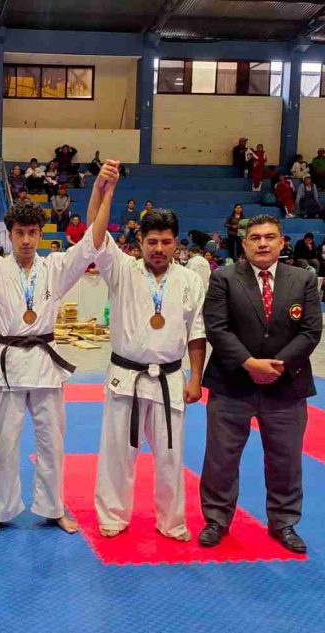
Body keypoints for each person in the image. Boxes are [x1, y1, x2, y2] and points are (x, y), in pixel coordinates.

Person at [0, 163, 117, 537]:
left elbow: (92, 241)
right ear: (10, 235)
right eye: (19, 233)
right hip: (9, 366)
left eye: (32, 233)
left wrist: (103, 193)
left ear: (41, 235)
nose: (26, 240)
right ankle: (1, 509)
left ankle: (52, 507)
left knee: (52, 443)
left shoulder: (57, 267)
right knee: (3, 444)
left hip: (45, 365)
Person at [199, 214, 322, 555]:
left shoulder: (304, 280)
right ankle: (216, 520)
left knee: (285, 460)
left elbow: (311, 331)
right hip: (232, 383)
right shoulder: (224, 278)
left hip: (286, 385)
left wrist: (278, 366)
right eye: (255, 238)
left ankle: (284, 522)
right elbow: (217, 328)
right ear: (245, 243)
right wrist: (249, 363)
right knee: (221, 458)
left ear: (283, 242)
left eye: (270, 237)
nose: (263, 243)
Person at [93, 201, 207, 541]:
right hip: (125, 376)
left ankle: (172, 521)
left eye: (166, 242)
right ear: (139, 242)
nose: (159, 249)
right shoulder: (121, 269)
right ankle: (112, 516)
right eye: (152, 241)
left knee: (171, 456)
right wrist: (104, 191)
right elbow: (96, 237)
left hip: (171, 379)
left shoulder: (190, 280)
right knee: (117, 452)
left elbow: (196, 332)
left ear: (176, 243)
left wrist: (196, 377)